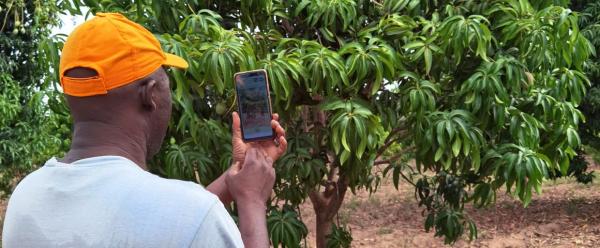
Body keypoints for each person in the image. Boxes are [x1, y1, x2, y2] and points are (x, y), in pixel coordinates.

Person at [2, 12, 287, 248]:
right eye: (167, 83)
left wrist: (237, 173)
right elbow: (179, 220)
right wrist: (251, 200)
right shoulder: (193, 214)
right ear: (150, 94)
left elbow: (166, 221)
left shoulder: (26, 198)